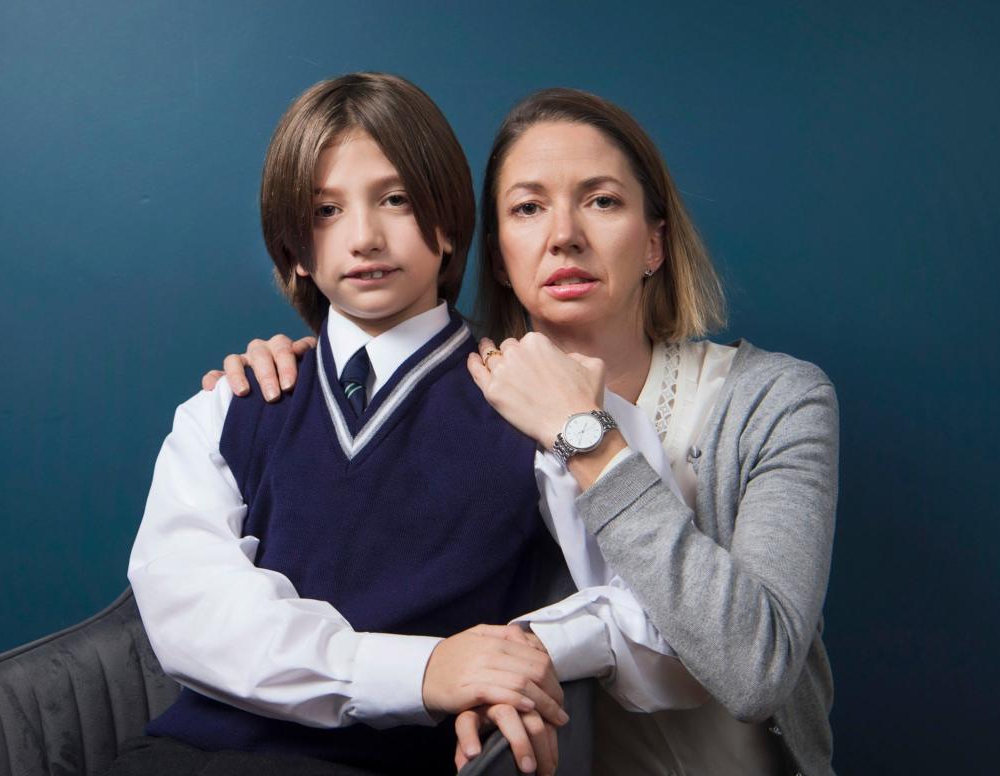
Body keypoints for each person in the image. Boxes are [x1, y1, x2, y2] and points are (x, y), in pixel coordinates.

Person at [211, 88, 840, 776]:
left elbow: (756, 669)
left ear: (654, 241)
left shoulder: (772, 398)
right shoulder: (460, 406)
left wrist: (585, 440)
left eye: (602, 201)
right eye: (527, 208)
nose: (564, 234)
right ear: (499, 254)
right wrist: (292, 381)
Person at [116, 73, 572, 776]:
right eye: (325, 211)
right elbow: (192, 609)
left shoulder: (530, 403)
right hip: (189, 753)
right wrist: (419, 669)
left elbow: (631, 607)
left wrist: (509, 659)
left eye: (394, 199)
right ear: (294, 248)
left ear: (447, 223)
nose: (363, 237)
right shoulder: (229, 405)